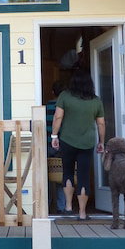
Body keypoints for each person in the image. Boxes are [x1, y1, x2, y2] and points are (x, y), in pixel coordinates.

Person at [50, 70, 105, 220]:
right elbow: (101, 123)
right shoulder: (96, 101)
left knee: (67, 172)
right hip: (87, 143)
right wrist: (101, 142)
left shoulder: (64, 96)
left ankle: (68, 207)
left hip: (67, 141)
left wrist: (54, 136)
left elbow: (58, 116)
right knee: (83, 176)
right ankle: (82, 213)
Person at [45, 81, 66, 213]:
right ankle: (61, 207)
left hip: (46, 145)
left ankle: (45, 205)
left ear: (52, 92)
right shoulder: (65, 108)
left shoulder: (46, 107)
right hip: (61, 145)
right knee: (61, 176)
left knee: (45, 176)